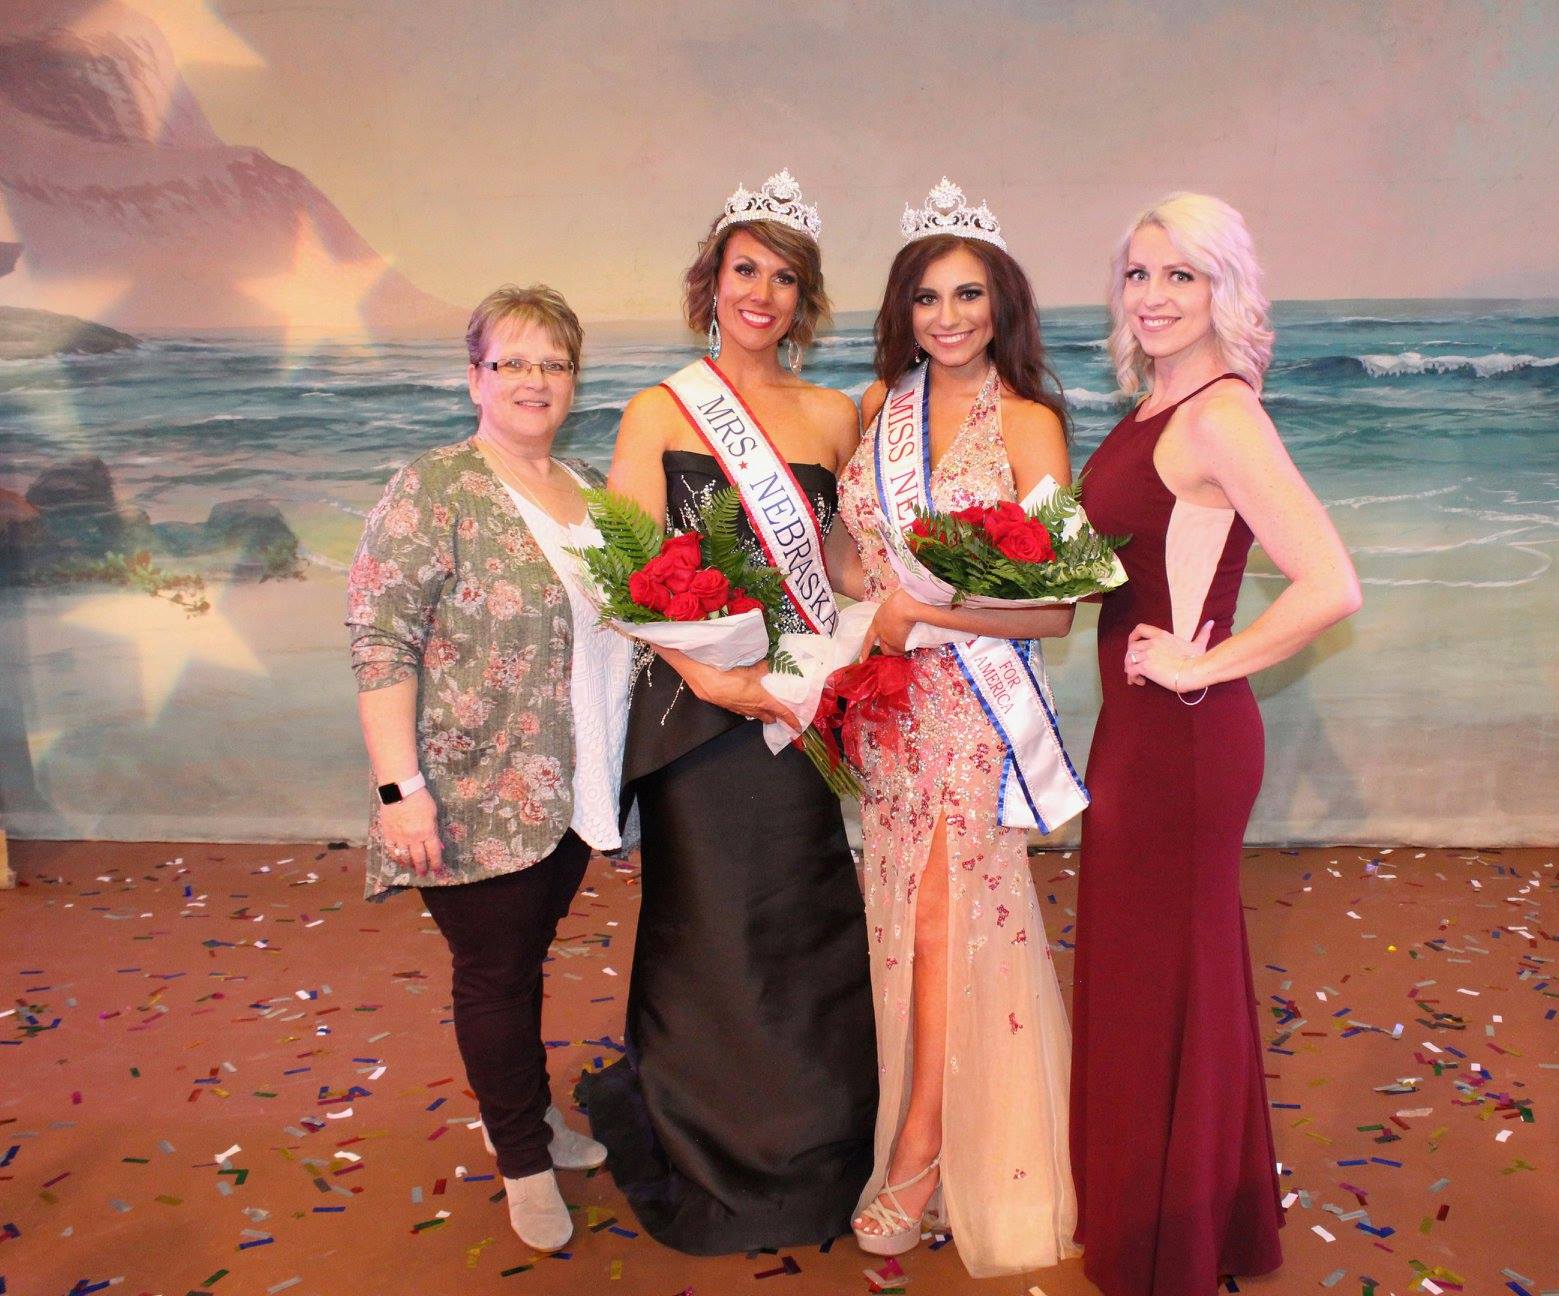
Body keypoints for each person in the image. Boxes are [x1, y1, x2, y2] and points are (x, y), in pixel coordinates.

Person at [573, 170, 879, 1254]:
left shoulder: (833, 414)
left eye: (784, 278)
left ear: (805, 300)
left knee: (805, 922)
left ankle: (819, 1141)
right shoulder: (660, 409)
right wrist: (707, 676)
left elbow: (837, 564)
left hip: (794, 706)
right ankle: (711, 1146)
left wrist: (917, 590)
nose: (762, 293)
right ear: (711, 284)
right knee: (712, 930)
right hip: (698, 718)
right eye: (745, 270)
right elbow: (624, 571)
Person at [1072, 193, 1363, 1293]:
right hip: (1139, 730)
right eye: (1138, 274)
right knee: (1154, 975)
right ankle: (1190, 1224)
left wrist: (1203, 665)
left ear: (1222, 289)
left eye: (1180, 275)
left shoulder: (1221, 415)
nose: (1153, 296)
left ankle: (1173, 1245)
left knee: (1168, 980)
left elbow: (1330, 584)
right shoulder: (1156, 403)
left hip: (1183, 739)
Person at [346, 284, 632, 1253]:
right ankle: (521, 1158)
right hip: (469, 791)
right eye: (512, 362)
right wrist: (401, 792)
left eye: (553, 363)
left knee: (525, 959)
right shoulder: (433, 489)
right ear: (475, 378)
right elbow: (380, 641)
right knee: (497, 975)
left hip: (574, 786)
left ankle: (531, 1115)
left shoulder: (591, 491)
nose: (533, 380)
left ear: (574, 380)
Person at [836, 179, 1081, 1276]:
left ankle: (921, 1156)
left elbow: (1056, 607)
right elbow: (849, 551)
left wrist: (924, 614)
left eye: (968, 294)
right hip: (889, 715)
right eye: (928, 297)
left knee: (943, 924)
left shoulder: (1029, 424)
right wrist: (858, 607)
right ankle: (928, 1129)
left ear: (1000, 303)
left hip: (974, 713)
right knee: (903, 925)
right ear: (904, 308)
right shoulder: (874, 408)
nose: (948, 317)